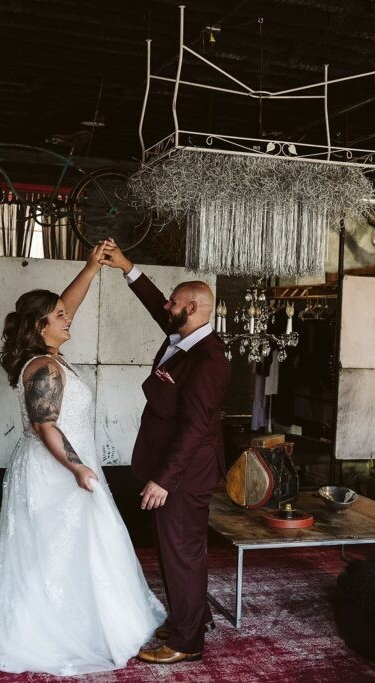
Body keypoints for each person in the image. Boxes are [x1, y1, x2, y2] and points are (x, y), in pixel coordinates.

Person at [0, 245, 166, 676]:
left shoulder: (49, 355)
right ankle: (56, 630)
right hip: (55, 473)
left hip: (65, 470)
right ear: (40, 326)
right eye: (59, 317)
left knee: (85, 548)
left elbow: (66, 304)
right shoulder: (44, 368)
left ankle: (93, 621)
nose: (69, 318)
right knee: (55, 554)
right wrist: (78, 467)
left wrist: (91, 268)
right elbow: (45, 424)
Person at [98, 238, 231, 664]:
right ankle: (198, 616)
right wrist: (126, 266)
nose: (166, 308)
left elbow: (194, 429)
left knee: (180, 554)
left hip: (185, 474)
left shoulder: (208, 361)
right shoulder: (185, 334)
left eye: (173, 303)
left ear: (191, 309)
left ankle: (187, 640)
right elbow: (158, 303)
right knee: (182, 551)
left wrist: (163, 480)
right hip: (175, 466)